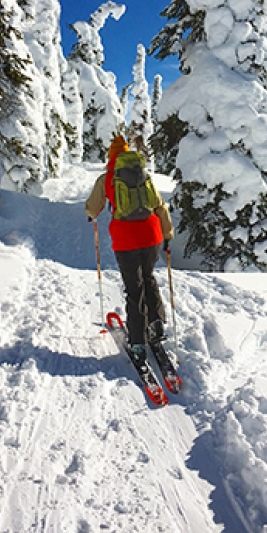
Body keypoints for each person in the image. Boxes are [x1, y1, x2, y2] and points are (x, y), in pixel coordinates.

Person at [85, 134, 174, 366]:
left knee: (134, 289)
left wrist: (90, 214)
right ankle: (155, 326)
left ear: (111, 156)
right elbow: (160, 205)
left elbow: (93, 208)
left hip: (126, 239)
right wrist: (167, 235)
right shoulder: (144, 174)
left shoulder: (107, 178)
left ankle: (137, 342)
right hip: (152, 235)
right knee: (148, 278)